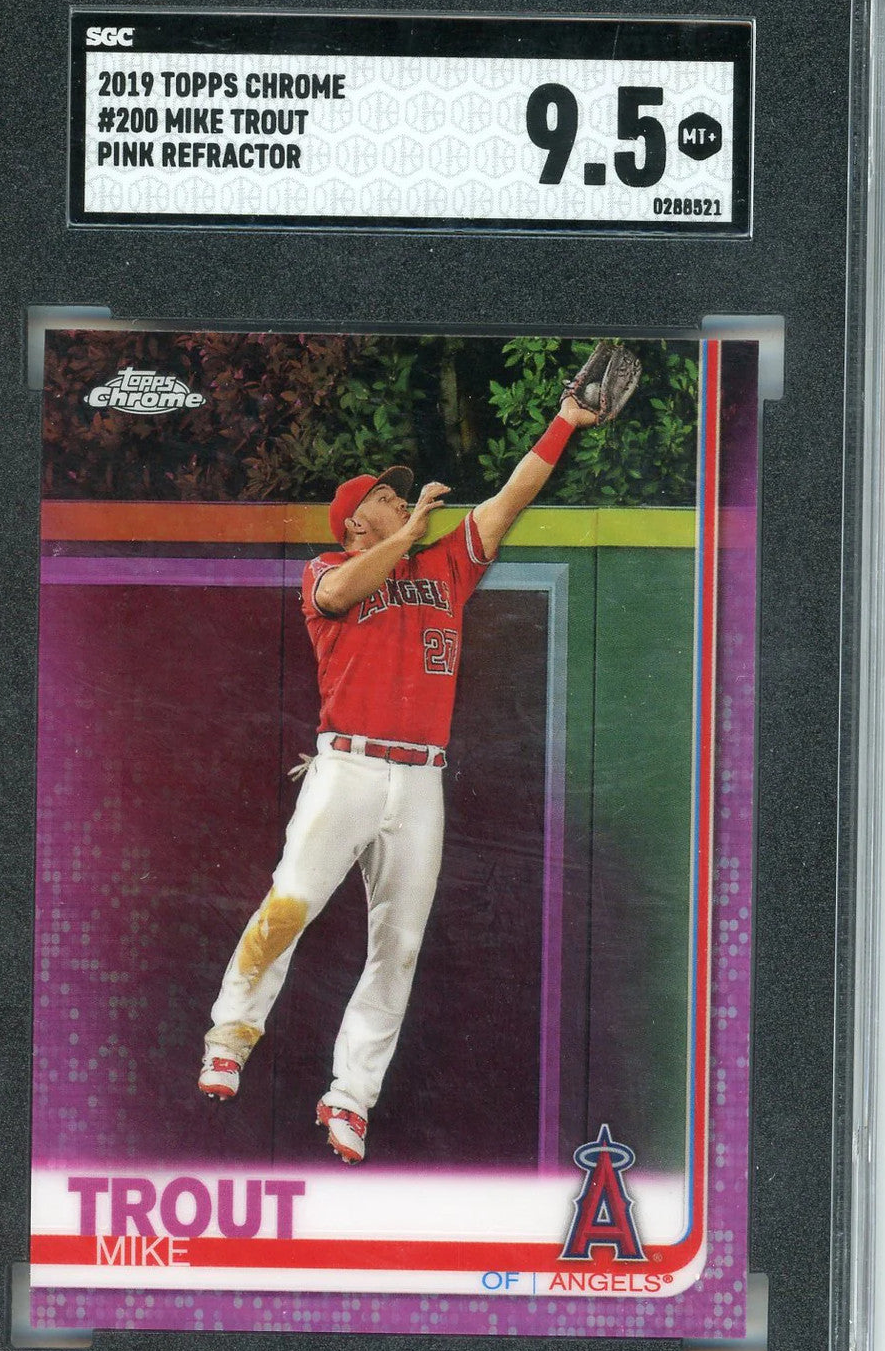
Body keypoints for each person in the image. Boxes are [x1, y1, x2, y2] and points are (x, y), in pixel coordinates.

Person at [198, 381, 597, 1162]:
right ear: (358, 520)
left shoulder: (446, 565)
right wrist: (407, 532)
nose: (402, 500)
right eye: (387, 497)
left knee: (400, 943)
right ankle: (229, 1040)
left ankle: (350, 1096)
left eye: (401, 497)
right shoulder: (325, 570)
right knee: (290, 904)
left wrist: (564, 422)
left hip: (419, 781)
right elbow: (344, 590)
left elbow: (511, 498)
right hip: (346, 767)